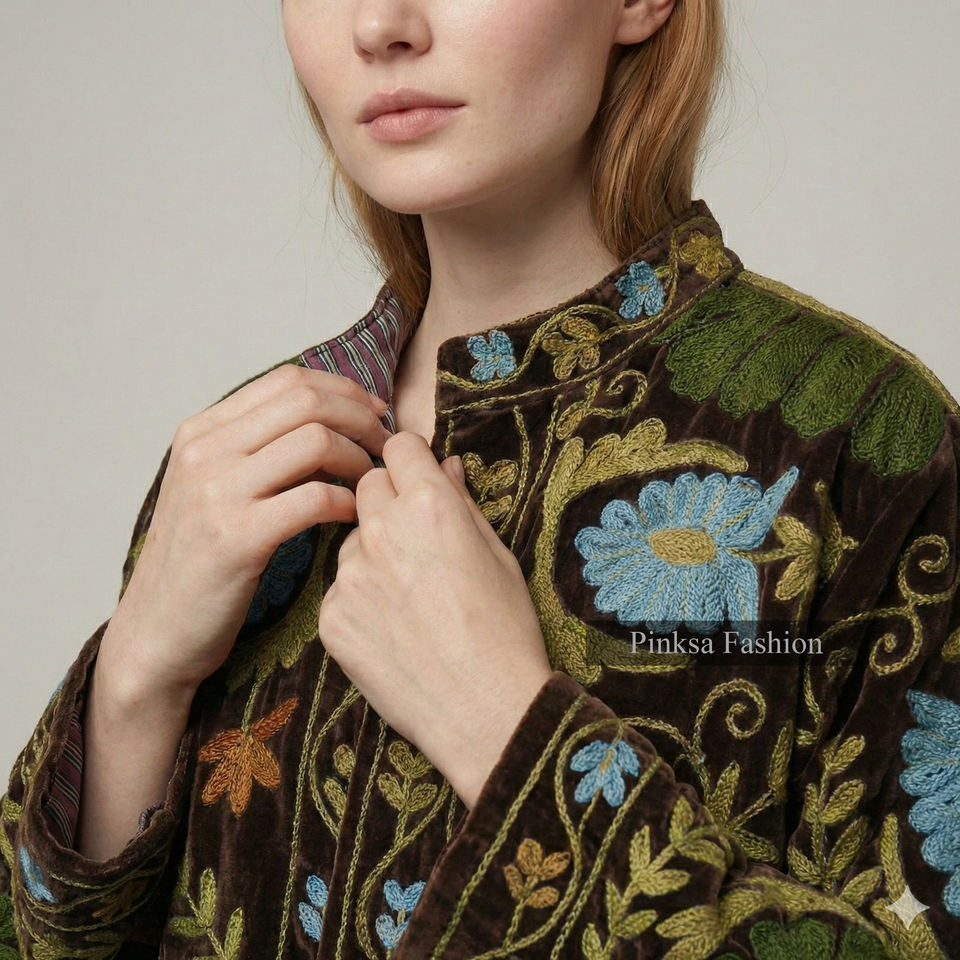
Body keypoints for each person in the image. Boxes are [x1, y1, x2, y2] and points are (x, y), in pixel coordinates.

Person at [2, 0, 959, 957]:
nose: (379, 24)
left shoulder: (865, 445)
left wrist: (507, 730)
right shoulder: (240, 463)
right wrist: (133, 686)